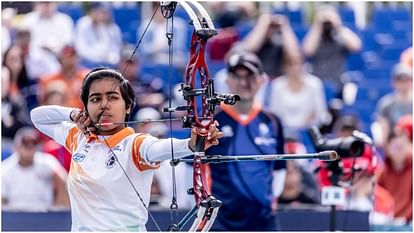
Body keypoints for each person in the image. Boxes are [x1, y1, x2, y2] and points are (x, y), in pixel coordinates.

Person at [30, 67, 223, 231]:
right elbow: (37, 117)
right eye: (95, 99)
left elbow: (161, 148)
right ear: (86, 107)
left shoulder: (136, 144)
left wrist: (191, 144)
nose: (104, 105)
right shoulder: (78, 138)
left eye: (112, 98)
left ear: (128, 106)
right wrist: (73, 114)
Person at [206, 52, 286, 231]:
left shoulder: (272, 121)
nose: (243, 83)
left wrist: (268, 201)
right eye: (237, 76)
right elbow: (193, 172)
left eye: (250, 76)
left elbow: (280, 170)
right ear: (227, 80)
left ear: (261, 80)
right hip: (220, 222)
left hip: (263, 222)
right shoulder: (211, 122)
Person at [2, 127, 69, 211]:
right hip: (16, 214)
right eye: (25, 144)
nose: (30, 147)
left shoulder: (47, 162)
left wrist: (60, 208)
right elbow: (2, 200)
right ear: (17, 147)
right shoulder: (5, 168)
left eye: (33, 144)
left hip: (43, 214)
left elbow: (63, 180)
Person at [302, 5, 361, 99]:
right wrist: (317, 25)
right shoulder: (315, 38)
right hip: (317, 85)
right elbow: (307, 51)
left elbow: (356, 46)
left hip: (339, 84)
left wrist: (338, 25)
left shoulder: (340, 37)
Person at [373, 63, 412, 147]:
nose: (403, 84)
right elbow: (383, 131)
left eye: (406, 80)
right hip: (393, 147)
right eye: (400, 80)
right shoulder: (385, 104)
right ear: (393, 82)